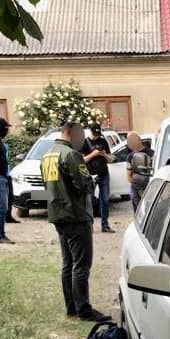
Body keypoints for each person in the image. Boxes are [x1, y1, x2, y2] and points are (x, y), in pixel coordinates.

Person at [41, 122, 108, 322]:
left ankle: (71, 306)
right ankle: (84, 309)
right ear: (71, 134)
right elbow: (83, 184)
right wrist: (92, 181)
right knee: (81, 264)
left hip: (57, 214)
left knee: (67, 262)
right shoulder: (71, 155)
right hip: (76, 215)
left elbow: (46, 187)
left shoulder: (48, 155)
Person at [83, 123, 114, 233]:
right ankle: (89, 225)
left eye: (98, 133)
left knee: (105, 200)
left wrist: (104, 154)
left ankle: (105, 225)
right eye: (95, 133)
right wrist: (93, 154)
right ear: (90, 131)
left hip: (104, 174)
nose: (97, 136)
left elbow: (111, 159)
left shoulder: (103, 141)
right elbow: (82, 160)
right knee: (89, 200)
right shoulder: (85, 142)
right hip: (90, 176)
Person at [126, 132, 154, 212]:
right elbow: (128, 177)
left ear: (139, 140)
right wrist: (137, 185)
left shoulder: (152, 154)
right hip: (136, 187)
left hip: (149, 186)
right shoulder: (130, 156)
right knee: (138, 212)